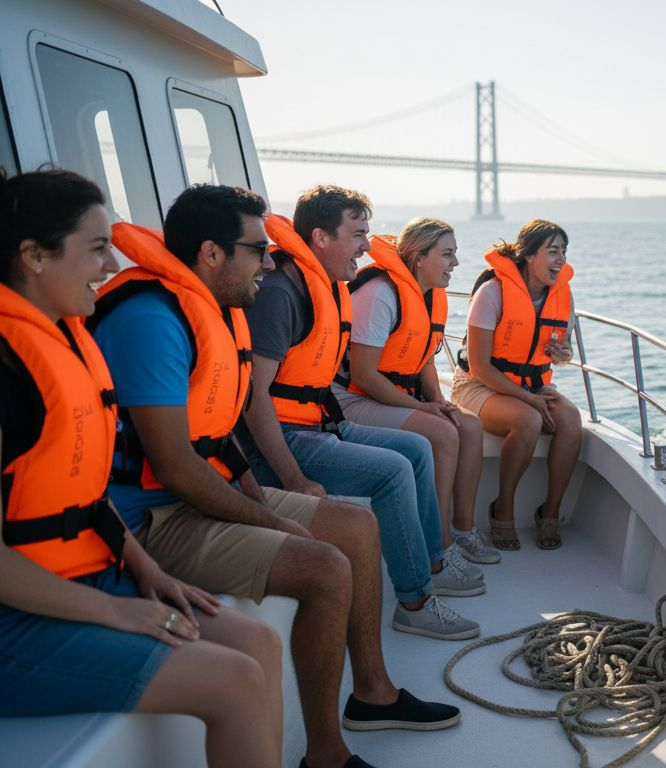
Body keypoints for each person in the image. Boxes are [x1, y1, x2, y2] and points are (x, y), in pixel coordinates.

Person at [89, 183, 459, 768]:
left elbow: (218, 434)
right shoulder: (152, 321)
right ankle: (327, 755)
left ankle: (373, 693)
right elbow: (177, 467)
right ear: (212, 253)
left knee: (357, 528)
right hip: (151, 516)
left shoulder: (217, 309)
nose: (269, 261)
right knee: (325, 565)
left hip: (201, 493)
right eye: (256, 249)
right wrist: (268, 518)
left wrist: (262, 496)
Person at [0, 169, 280, 767]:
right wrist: (117, 610)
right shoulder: (7, 368)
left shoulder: (69, 340)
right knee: (235, 681)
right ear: (33, 256)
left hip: (88, 575)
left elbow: (82, 497)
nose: (109, 266)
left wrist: (146, 571)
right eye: (96, 248)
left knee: (257, 638)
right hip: (14, 621)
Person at [240, 185, 483, 643]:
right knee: (391, 470)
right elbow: (253, 400)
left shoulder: (322, 285)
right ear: (320, 237)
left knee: (415, 448)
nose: (368, 247)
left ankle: (433, 558)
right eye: (357, 235)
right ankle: (414, 602)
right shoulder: (280, 295)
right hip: (282, 436)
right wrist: (293, 478)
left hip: (318, 420)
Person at [334, 218, 498, 566]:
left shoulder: (429, 296)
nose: (456, 263)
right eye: (448, 254)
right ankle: (437, 543)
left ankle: (464, 529)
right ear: (419, 257)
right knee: (441, 433)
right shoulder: (380, 294)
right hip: (352, 398)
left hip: (392, 395)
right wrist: (422, 410)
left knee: (469, 426)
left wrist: (437, 400)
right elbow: (364, 375)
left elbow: (422, 356)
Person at [452, 219, 582, 550]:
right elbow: (480, 366)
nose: (560, 260)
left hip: (531, 387)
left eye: (563, 252)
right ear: (528, 255)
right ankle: (503, 509)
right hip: (478, 386)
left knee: (570, 420)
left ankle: (549, 512)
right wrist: (528, 399)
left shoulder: (562, 297)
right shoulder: (492, 292)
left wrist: (563, 354)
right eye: (552, 251)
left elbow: (562, 355)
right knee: (527, 420)